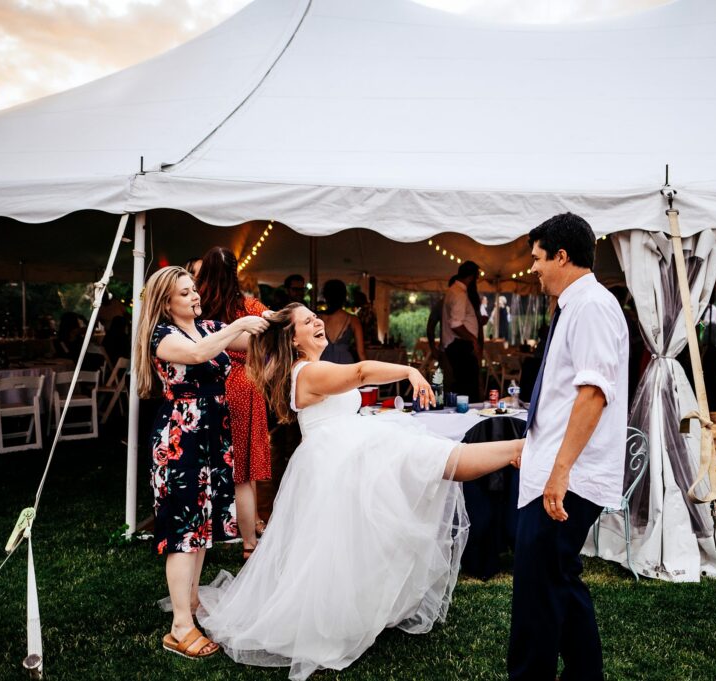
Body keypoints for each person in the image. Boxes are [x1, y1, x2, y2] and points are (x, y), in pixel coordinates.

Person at [197, 302, 524, 680]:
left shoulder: (310, 369)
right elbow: (362, 372)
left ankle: (516, 452)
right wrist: (409, 370)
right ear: (293, 339)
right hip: (339, 460)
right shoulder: (308, 372)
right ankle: (517, 451)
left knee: (355, 541)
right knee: (440, 463)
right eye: (307, 321)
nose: (317, 321)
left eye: (315, 316)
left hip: (346, 455)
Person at [509, 213, 627, 681]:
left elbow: (593, 393)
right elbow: (564, 395)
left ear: (562, 256)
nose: (533, 268)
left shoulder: (592, 305)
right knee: (559, 580)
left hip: (568, 479)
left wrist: (559, 472)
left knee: (538, 593)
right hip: (556, 469)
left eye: (537, 258)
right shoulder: (576, 305)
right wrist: (534, 448)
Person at [133, 265, 269, 659]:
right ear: (166, 302)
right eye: (186, 293)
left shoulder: (209, 327)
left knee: (203, 526)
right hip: (181, 439)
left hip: (212, 436)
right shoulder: (164, 336)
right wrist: (239, 323)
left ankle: (191, 604)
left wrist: (275, 322)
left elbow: (246, 342)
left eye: (195, 290)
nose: (195, 296)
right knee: (183, 532)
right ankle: (179, 627)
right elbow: (196, 355)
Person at [196, 246, 273, 560]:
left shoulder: (198, 306)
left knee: (211, 463)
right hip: (243, 382)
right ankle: (249, 539)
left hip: (209, 384)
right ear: (235, 272)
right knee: (244, 468)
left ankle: (233, 528)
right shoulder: (249, 305)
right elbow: (274, 332)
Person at [442, 261, 483, 401]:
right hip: (460, 346)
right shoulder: (459, 293)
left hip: (457, 345)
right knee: (468, 388)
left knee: (462, 385)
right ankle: (468, 419)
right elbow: (456, 324)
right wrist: (473, 339)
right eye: (477, 277)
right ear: (471, 277)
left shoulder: (453, 290)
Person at [319, 279, 365, 364]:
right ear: (343, 297)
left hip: (323, 363)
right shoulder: (353, 320)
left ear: (325, 297)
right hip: (345, 364)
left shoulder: (317, 318)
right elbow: (361, 353)